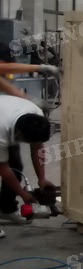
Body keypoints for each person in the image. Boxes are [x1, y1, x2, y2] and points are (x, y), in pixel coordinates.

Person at [0, 96, 55, 237]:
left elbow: (37, 148)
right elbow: (3, 169)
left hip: (6, 119)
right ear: (19, 134)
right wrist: (22, 193)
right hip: (2, 126)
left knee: (15, 165)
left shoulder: (36, 116)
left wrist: (42, 178)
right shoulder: (1, 132)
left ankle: (6, 209)